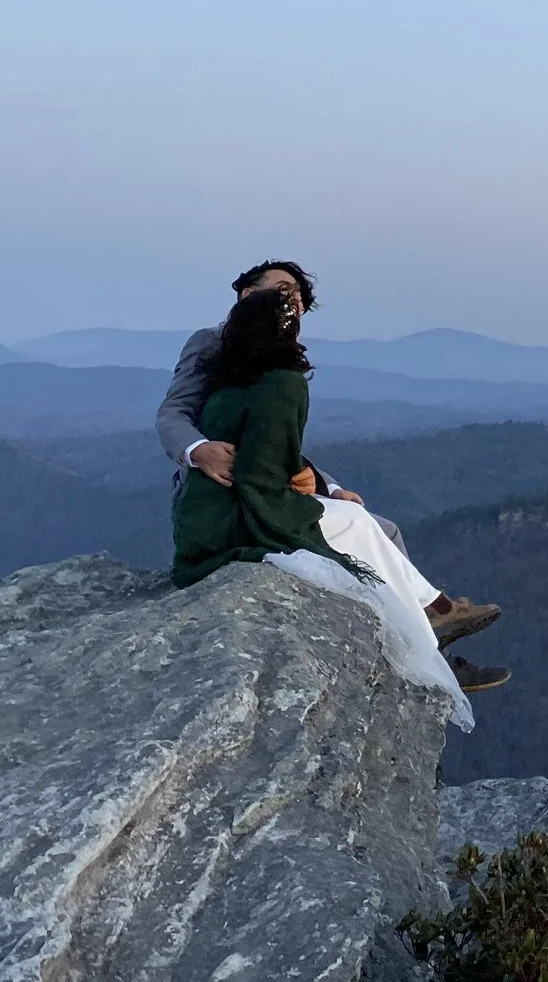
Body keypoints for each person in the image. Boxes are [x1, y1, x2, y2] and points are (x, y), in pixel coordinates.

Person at [164, 266, 511, 693]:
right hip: (225, 492)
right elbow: (175, 413)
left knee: (382, 528)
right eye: (282, 292)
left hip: (258, 484)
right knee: (361, 532)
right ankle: (432, 634)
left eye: (298, 300)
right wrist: (199, 451)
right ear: (246, 294)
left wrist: (324, 484)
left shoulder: (269, 359)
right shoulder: (215, 345)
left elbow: (271, 437)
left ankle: (432, 627)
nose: (292, 304)